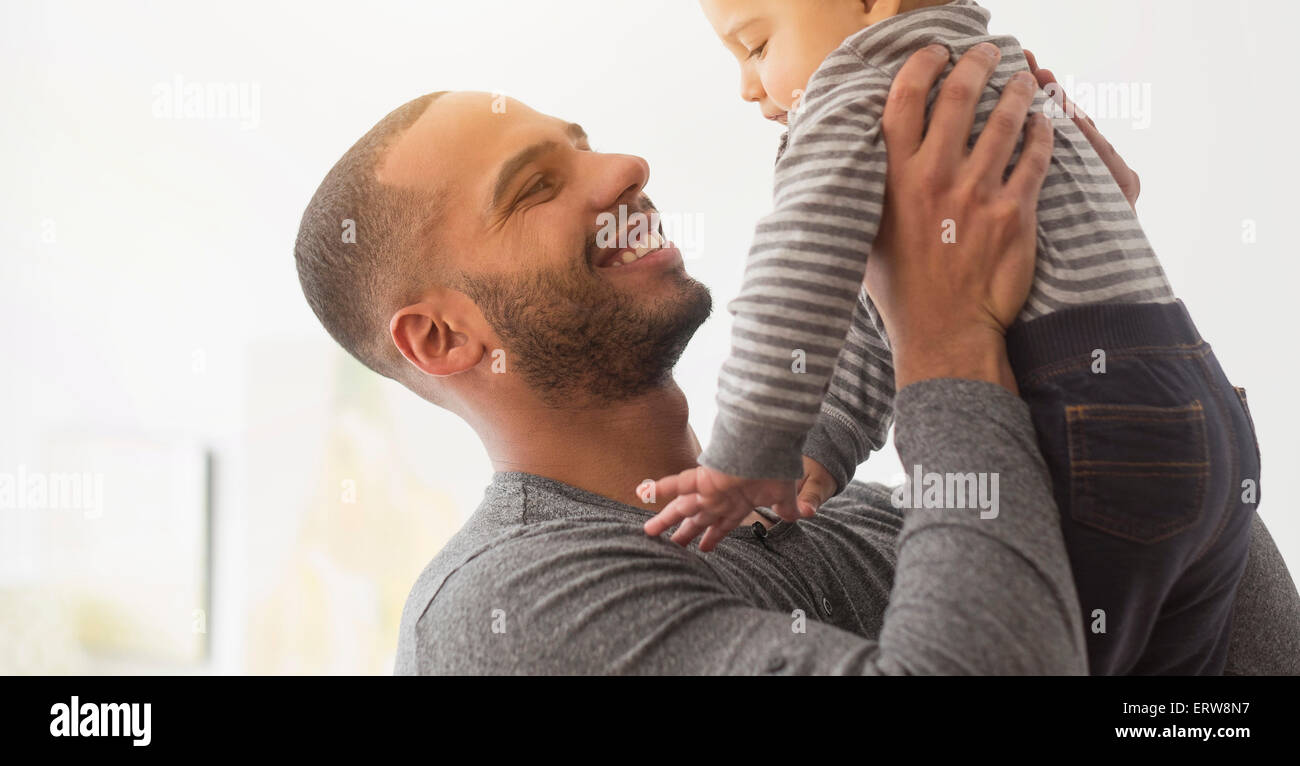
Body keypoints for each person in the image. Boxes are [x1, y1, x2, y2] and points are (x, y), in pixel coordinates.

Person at [292, 46, 1300, 674]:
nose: (623, 168)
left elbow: (1220, 620)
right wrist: (950, 333)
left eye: (586, 142)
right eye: (536, 185)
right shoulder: (510, 609)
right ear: (444, 338)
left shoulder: (862, 515)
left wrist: (1088, 314)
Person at [655, 0, 1257, 675]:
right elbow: (886, 316)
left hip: (1079, 424)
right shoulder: (1000, 69)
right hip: (1196, 402)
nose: (749, 87)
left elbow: (798, 278)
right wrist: (823, 449)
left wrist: (746, 455)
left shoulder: (856, 82)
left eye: (754, 44)